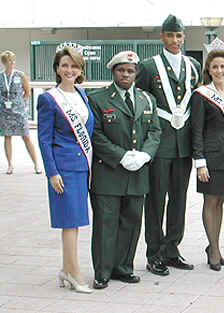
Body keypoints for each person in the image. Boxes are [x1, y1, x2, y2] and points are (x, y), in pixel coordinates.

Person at [88, 51, 161, 289]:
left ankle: (123, 267)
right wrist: (121, 156)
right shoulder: (97, 98)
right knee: (106, 225)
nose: (126, 74)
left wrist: (145, 155)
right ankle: (103, 272)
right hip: (108, 173)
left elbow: (155, 132)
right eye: (121, 70)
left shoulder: (147, 98)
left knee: (131, 223)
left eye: (130, 71)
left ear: (136, 73)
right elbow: (95, 135)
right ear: (113, 71)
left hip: (137, 172)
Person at [136, 14, 201, 276]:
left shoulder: (194, 65)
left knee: (179, 199)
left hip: (182, 144)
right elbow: (140, 103)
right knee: (156, 201)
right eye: (170, 35)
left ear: (184, 37)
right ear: (162, 37)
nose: (175, 40)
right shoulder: (148, 66)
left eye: (179, 35)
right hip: (160, 143)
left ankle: (172, 249)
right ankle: (154, 253)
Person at [37, 46, 93, 294]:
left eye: (74, 66)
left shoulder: (82, 95)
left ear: (80, 69)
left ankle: (65, 269)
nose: (69, 70)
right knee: (70, 222)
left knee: (75, 221)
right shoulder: (49, 98)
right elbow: (44, 139)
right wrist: (52, 172)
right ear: (57, 68)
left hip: (81, 167)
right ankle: (74, 273)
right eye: (65, 66)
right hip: (63, 169)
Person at [190, 46, 224, 271]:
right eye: (215, 67)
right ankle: (213, 249)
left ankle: (216, 246)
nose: (219, 70)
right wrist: (199, 161)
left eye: (223, 66)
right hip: (210, 158)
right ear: (209, 70)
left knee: (221, 201)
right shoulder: (201, 94)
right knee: (210, 201)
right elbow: (196, 130)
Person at [0, 50, 41, 175]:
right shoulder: (1, 77)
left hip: (19, 111)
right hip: (5, 111)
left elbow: (27, 91)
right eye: (8, 61)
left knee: (26, 137)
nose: (11, 63)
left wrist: (21, 105)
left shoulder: (20, 75)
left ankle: (36, 164)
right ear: (4, 63)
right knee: (7, 136)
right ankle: (10, 165)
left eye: (12, 60)